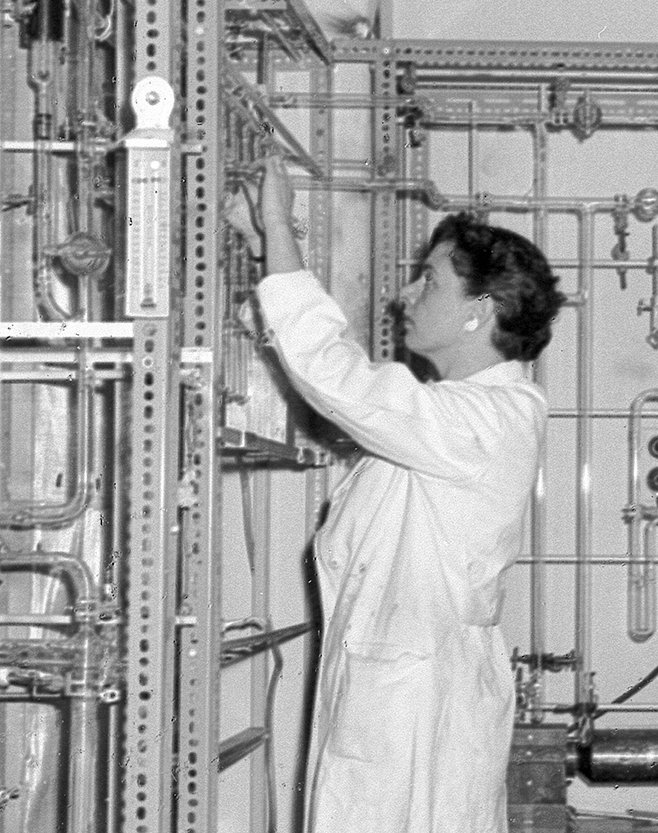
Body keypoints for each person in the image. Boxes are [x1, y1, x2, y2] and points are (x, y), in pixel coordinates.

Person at [227, 157, 564, 833]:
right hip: (402, 697)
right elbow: (352, 392)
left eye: (429, 279)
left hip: (417, 706)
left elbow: (340, 377)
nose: (405, 295)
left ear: (480, 310)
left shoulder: (493, 420)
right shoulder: (449, 416)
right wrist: (269, 251)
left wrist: (277, 227)